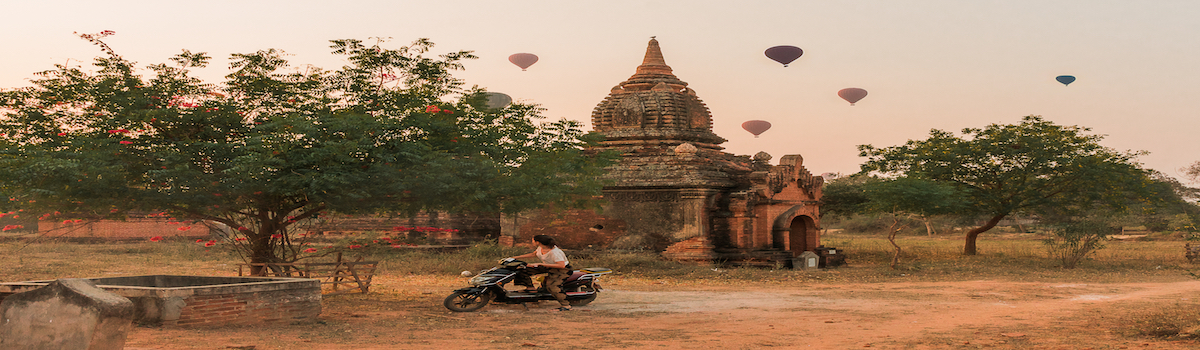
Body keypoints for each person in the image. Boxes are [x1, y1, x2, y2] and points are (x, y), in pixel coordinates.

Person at [509, 234, 573, 311]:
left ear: (538, 242)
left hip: (562, 270)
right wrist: (514, 258)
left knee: (552, 286)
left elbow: (561, 265)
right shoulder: (540, 248)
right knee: (522, 270)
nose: (532, 242)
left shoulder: (554, 252)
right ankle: (531, 289)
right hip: (548, 266)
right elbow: (533, 254)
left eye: (533, 241)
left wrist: (540, 264)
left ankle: (566, 305)